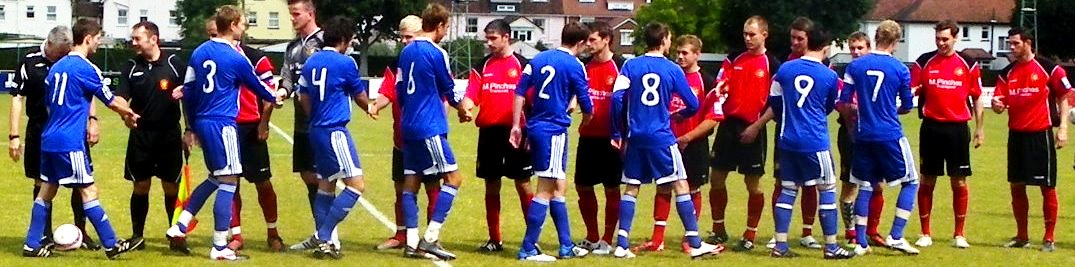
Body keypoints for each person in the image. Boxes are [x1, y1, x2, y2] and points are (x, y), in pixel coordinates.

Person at [164, 6, 284, 260]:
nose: (244, 27)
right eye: (242, 23)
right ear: (232, 25)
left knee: (216, 177)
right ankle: (219, 246)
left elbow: (190, 87)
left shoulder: (199, 52)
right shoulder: (236, 57)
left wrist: (191, 125)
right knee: (229, 180)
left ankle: (180, 224)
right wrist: (278, 96)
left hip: (203, 122)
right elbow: (259, 86)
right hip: (224, 123)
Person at [22, 17, 140, 259]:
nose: (98, 45)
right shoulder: (86, 68)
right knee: (88, 190)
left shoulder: (56, 67)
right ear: (87, 39)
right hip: (70, 142)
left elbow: (49, 104)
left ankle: (32, 243)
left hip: (49, 138)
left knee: (47, 190)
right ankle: (110, 244)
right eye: (97, 40)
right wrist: (129, 113)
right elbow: (111, 100)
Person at [609, 22, 725, 260]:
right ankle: (694, 242)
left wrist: (618, 131)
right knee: (681, 184)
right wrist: (679, 115)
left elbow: (616, 99)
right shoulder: (673, 70)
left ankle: (622, 244)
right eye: (669, 39)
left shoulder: (631, 65)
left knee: (632, 187)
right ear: (663, 41)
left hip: (635, 136)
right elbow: (693, 104)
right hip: (661, 137)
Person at [766, 25, 855, 259]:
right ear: (825, 49)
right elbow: (829, 106)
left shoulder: (785, 70)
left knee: (787, 190)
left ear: (807, 43)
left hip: (787, 140)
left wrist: (788, 116)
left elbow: (774, 100)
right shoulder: (828, 76)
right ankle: (831, 246)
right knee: (827, 189)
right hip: (814, 141)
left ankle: (781, 245)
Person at [9, 25, 101, 251]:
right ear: (49, 44)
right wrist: (14, 135)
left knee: (81, 183)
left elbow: (88, 92)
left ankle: (82, 231)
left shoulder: (74, 62)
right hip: (40, 130)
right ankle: (44, 235)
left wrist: (93, 120)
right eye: (59, 52)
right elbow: (17, 99)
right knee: (42, 183)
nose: (62, 56)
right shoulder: (29, 62)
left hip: (72, 130)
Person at [394, 3, 474, 261]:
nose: (446, 32)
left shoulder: (406, 52)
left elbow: (400, 91)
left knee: (411, 182)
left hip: (408, 126)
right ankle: (430, 239)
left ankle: (410, 241)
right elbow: (449, 89)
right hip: (429, 126)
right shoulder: (436, 53)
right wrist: (463, 110)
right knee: (454, 179)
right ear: (439, 26)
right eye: (446, 28)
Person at [202, 18, 287, 253]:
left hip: (251, 127)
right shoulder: (210, 57)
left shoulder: (254, 56)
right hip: (224, 127)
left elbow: (268, 91)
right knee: (230, 184)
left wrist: (264, 123)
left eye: (214, 33)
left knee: (263, 182)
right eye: (209, 34)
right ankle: (236, 234)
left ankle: (273, 231)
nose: (212, 38)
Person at [511, 21, 594, 262]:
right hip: (554, 131)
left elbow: (519, 92)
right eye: (585, 43)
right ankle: (528, 248)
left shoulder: (537, 59)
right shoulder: (575, 65)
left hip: (536, 126)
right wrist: (587, 117)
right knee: (546, 188)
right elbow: (585, 101)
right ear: (579, 42)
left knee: (558, 187)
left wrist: (517, 124)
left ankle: (566, 245)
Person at [296, 15, 377, 259]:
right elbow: (359, 95)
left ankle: (324, 243)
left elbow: (302, 97)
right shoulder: (345, 63)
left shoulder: (310, 62)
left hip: (316, 130)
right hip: (335, 131)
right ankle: (323, 235)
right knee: (356, 185)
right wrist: (371, 108)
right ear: (344, 39)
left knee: (326, 184)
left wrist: (315, 117)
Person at [840, 20, 920, 256]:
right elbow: (907, 106)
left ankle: (861, 242)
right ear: (895, 42)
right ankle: (896, 235)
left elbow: (845, 100)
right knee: (911, 181)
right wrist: (889, 109)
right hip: (889, 134)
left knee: (865, 184)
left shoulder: (855, 67)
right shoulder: (900, 69)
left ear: (875, 38)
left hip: (863, 135)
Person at [991, 27, 1070, 252]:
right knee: (1017, 186)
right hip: (1016, 135)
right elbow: (1000, 104)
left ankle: (1049, 238)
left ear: (1028, 43)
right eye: (1010, 44)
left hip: (1040, 135)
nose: (1012, 48)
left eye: (1016, 43)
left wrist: (1063, 127)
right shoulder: (1007, 73)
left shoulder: (1049, 69)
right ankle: (1022, 236)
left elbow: (1065, 97)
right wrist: (997, 106)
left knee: (1046, 186)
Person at [706, 15, 781, 251]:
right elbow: (720, 87)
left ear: (764, 35)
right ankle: (718, 230)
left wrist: (757, 126)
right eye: (745, 34)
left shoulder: (773, 64)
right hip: (729, 126)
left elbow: (776, 103)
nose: (747, 39)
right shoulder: (733, 58)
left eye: (752, 34)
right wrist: (721, 91)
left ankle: (750, 235)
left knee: (753, 185)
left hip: (754, 128)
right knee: (716, 179)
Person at [910, 20, 984, 249]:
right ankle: (925, 233)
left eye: (945, 39)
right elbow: (912, 88)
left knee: (958, 181)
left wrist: (980, 129)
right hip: (931, 127)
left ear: (955, 38)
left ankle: (959, 234)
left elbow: (977, 97)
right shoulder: (924, 62)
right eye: (938, 39)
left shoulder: (968, 64)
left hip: (958, 129)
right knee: (927, 179)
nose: (941, 43)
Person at [116, 21, 187, 252]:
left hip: (169, 136)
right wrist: (125, 114)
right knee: (140, 186)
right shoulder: (130, 66)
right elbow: (119, 97)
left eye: (138, 38)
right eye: (133, 38)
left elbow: (191, 93)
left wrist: (190, 129)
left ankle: (175, 236)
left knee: (171, 188)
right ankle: (137, 236)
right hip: (141, 136)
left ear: (153, 39)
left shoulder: (175, 64)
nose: (133, 43)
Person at [465, 19, 535, 252]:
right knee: (491, 185)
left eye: (493, 38)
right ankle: (495, 239)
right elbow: (471, 94)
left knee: (523, 183)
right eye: (487, 38)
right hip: (489, 133)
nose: (488, 43)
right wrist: (465, 106)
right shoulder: (483, 65)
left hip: (517, 132)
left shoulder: (523, 65)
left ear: (507, 37)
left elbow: (533, 100)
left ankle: (531, 239)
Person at [374, 15, 442, 252]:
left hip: (426, 137)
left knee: (433, 186)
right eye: (401, 37)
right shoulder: (399, 63)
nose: (404, 41)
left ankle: (432, 238)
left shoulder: (431, 60)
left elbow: (442, 99)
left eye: (408, 36)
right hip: (401, 139)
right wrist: (374, 106)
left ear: (421, 34)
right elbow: (387, 92)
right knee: (401, 189)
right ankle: (402, 235)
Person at [280, 0, 332, 249]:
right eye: (291, 14)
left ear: (310, 14)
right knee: (308, 176)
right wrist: (281, 93)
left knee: (324, 177)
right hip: (301, 123)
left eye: (296, 14)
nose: (292, 18)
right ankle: (321, 233)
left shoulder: (325, 43)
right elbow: (287, 79)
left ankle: (330, 237)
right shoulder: (292, 48)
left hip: (322, 122)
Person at [574, 20, 625, 255]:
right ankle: (592, 236)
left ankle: (606, 238)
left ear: (607, 39)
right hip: (588, 137)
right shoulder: (582, 66)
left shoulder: (622, 67)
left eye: (593, 40)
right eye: (587, 40)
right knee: (583, 186)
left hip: (612, 138)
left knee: (612, 189)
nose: (588, 44)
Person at [837, 31, 885, 246]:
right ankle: (851, 232)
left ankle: (872, 231)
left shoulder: (878, 72)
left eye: (860, 48)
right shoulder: (844, 76)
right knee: (851, 185)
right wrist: (850, 115)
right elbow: (841, 104)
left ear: (869, 48)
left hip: (875, 135)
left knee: (877, 185)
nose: (856, 52)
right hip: (851, 136)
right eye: (852, 48)